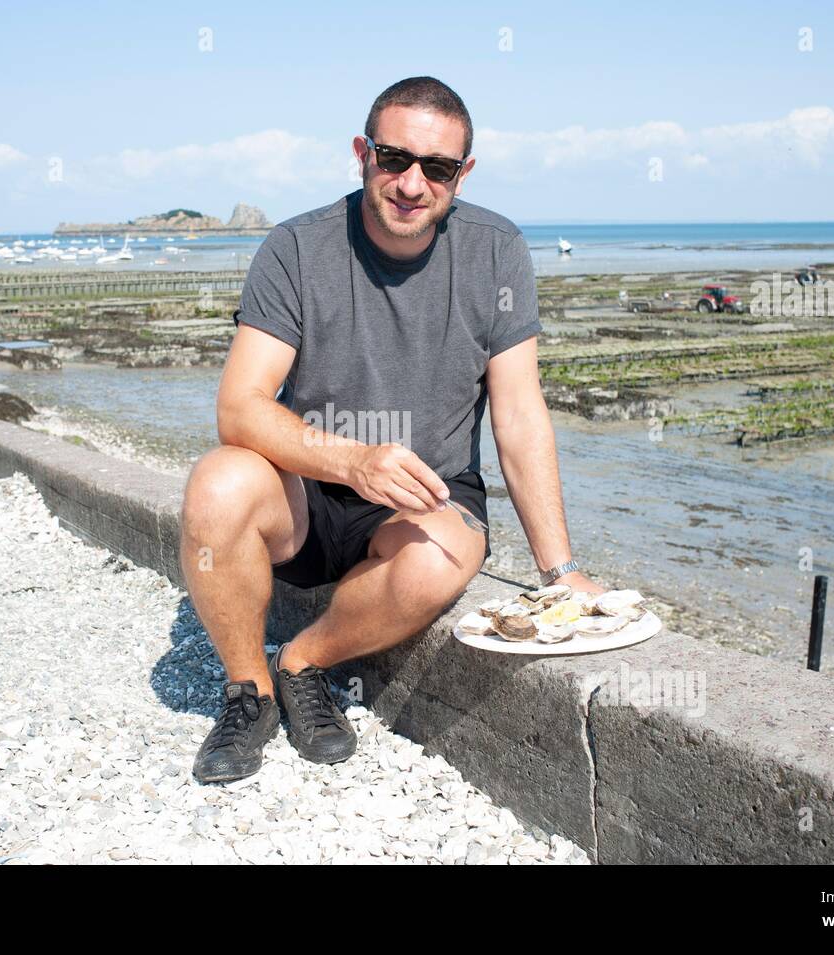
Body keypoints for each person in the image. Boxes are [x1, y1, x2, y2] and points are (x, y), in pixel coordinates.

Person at [180, 76, 604, 783]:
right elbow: (240, 407)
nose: (412, 183)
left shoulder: (498, 252)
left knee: (444, 555)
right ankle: (247, 691)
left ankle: (303, 663)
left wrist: (559, 574)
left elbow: (521, 414)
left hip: (423, 492)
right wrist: (350, 462)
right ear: (362, 154)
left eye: (436, 168)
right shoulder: (294, 248)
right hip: (308, 489)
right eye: (394, 158)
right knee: (216, 482)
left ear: (461, 175)